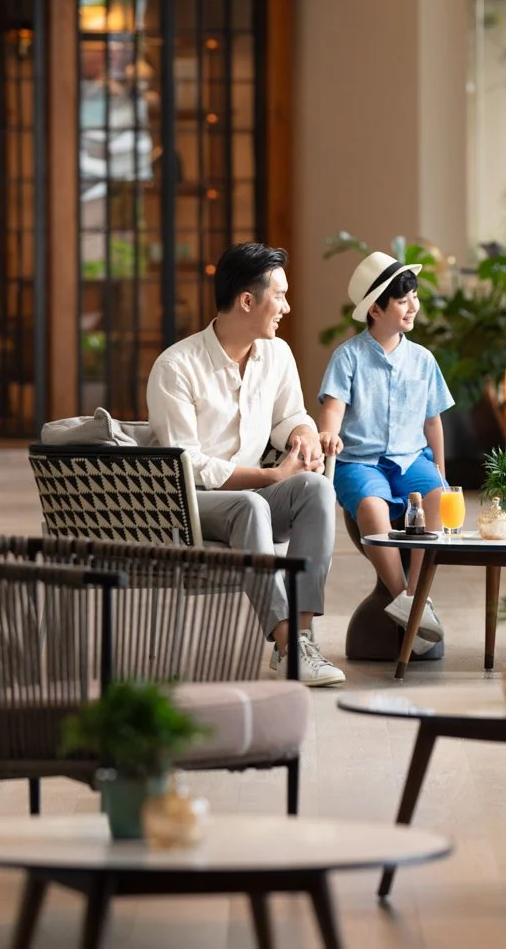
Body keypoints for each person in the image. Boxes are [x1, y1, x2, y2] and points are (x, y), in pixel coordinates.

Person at [146, 242, 346, 687]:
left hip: (254, 491)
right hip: (194, 502)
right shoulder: (176, 367)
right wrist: (270, 477)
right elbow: (187, 463)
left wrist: (304, 434)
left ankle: (302, 635)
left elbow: (289, 415)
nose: (288, 307)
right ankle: (289, 646)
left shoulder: (277, 355)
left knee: (317, 489)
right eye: (281, 295)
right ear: (247, 301)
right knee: (250, 505)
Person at [315, 251, 456, 647]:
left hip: (412, 459)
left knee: (435, 498)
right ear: (375, 309)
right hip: (361, 463)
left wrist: (440, 474)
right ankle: (406, 602)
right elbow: (333, 409)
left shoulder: (423, 359)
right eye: (403, 300)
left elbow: (432, 422)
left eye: (414, 297)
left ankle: (417, 594)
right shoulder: (348, 357)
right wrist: (328, 434)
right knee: (373, 508)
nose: (414, 306)